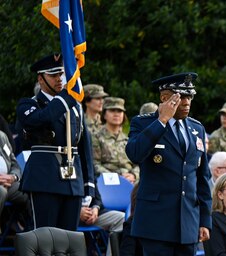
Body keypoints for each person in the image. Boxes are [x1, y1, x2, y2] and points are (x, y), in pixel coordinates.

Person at [125, 72, 211, 256]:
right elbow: (135, 154)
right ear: (165, 99)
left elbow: (203, 178)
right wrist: (161, 120)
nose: (187, 102)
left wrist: (205, 220)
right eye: (181, 96)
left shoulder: (197, 129)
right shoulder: (143, 124)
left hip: (187, 221)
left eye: (190, 96)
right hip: (156, 221)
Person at [16, 53, 96, 231]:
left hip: (72, 180)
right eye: (53, 75)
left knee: (68, 241)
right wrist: (68, 96)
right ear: (41, 78)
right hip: (45, 179)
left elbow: (84, 149)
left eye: (61, 74)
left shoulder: (75, 108)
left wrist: (88, 186)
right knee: (45, 239)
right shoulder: (29, 105)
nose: (59, 79)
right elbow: (43, 118)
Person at [92, 97, 139, 183]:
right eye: (112, 110)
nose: (116, 114)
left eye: (120, 111)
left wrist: (133, 175)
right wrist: (116, 178)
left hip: (130, 182)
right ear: (104, 114)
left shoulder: (129, 139)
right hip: (107, 182)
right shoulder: (96, 137)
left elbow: (138, 164)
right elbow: (95, 164)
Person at [0, 131, 27, 226]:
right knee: (1, 191)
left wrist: (13, 177)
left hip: (8, 183)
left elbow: (15, 165)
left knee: (30, 189)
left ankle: (34, 232)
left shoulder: (2, 136)